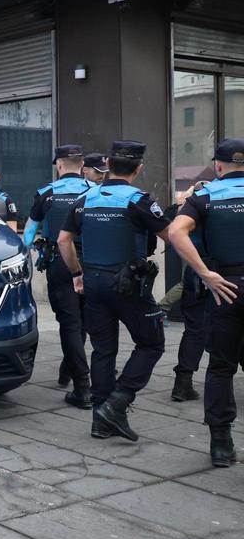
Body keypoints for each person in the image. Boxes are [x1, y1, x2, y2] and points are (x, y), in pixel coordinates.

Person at [58, 141, 170, 441]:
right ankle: (118, 401)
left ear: (107, 162)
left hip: (93, 282)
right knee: (151, 344)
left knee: (103, 349)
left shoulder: (86, 198)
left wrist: (77, 273)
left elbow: (62, 240)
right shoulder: (140, 200)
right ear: (139, 168)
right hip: (128, 284)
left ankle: (100, 419)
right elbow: (171, 235)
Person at [166, 138, 244, 467]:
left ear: (218, 165)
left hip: (224, 288)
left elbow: (175, 232)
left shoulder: (205, 196)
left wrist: (205, 273)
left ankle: (221, 444)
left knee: (221, 368)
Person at [23, 145, 93, 407]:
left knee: (70, 323)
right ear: (82, 164)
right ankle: (69, 371)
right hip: (93, 264)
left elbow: (30, 232)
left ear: (59, 165)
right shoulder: (95, 192)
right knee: (84, 322)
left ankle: (82, 386)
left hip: (59, 264)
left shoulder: (46, 194)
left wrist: (26, 252)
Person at [166, 181, 209, 403]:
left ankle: (182, 383)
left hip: (195, 276)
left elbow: (170, 218)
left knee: (194, 330)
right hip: (228, 274)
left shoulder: (192, 207)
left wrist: (189, 195)